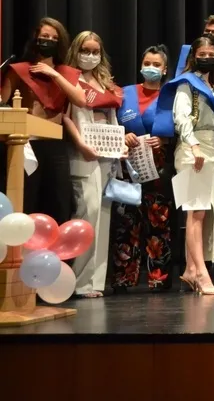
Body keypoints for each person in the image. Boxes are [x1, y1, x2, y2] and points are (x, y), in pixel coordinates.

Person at [153, 36, 214, 296]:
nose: (207, 58)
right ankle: (201, 273)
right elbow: (181, 117)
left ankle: (190, 268)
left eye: (211, 54)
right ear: (193, 56)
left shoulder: (210, 85)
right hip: (192, 146)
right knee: (194, 212)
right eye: (202, 54)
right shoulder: (187, 83)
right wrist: (193, 145)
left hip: (211, 145)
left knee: (201, 212)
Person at [2, 17, 85, 222]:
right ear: (36, 39)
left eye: (55, 38)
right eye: (45, 36)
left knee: (58, 201)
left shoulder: (66, 72)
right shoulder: (19, 70)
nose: (49, 41)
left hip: (55, 145)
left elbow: (80, 100)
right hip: (25, 143)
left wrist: (53, 74)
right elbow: (2, 102)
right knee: (26, 199)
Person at [62, 31, 125, 298]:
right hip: (84, 154)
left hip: (107, 153)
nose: (90, 56)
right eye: (85, 51)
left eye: (95, 51)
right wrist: (80, 145)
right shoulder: (69, 79)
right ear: (76, 51)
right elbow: (65, 117)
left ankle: (95, 282)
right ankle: (78, 281)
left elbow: (112, 117)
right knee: (87, 214)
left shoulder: (104, 82)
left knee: (103, 217)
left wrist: (120, 145)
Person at [113, 45, 174, 291]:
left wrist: (165, 140)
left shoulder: (170, 96)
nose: (151, 68)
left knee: (159, 222)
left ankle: (158, 278)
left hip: (157, 166)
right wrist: (122, 134)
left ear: (165, 69)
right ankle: (124, 278)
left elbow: (180, 129)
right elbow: (109, 123)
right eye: (147, 63)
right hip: (128, 164)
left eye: (156, 65)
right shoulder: (124, 93)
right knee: (127, 222)